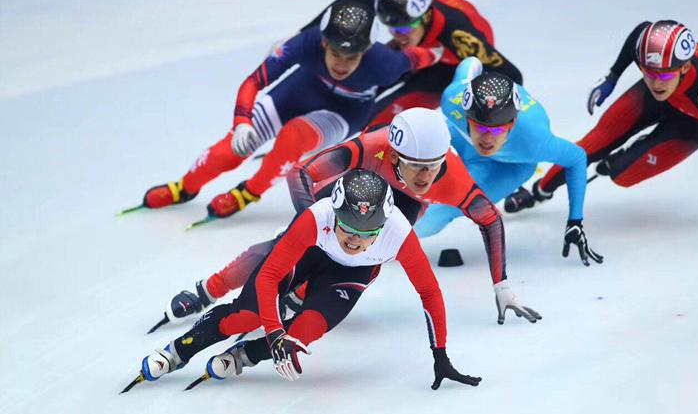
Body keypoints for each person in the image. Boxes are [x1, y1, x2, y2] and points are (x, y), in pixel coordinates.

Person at [160, 108, 542, 328]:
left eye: (434, 167)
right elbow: (301, 173)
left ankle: (301, 295)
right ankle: (209, 289)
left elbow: (490, 220)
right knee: (284, 249)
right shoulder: (373, 146)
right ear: (393, 156)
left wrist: (501, 285)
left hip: (396, 209)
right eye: (415, 167)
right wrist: (312, 223)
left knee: (370, 254)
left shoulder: (452, 180)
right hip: (349, 190)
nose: (427, 178)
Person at [123, 170, 480, 392]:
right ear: (334, 215)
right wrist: (273, 328)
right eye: (348, 228)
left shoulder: (399, 233)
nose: (355, 240)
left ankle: (246, 355)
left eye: (367, 233)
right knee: (247, 316)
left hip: (349, 275)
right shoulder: (317, 215)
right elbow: (269, 276)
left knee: (305, 332)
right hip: (308, 254)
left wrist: (440, 354)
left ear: (383, 227)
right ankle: (179, 350)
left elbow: (430, 293)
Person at [133, 0, 441, 220]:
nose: (342, 65)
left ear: (367, 51)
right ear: (323, 44)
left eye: (352, 58)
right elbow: (254, 81)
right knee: (229, 151)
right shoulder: (303, 44)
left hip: (344, 112)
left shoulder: (385, 63)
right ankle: (184, 187)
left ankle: (248, 192)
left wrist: (439, 51)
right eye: (335, 54)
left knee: (294, 138)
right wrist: (242, 121)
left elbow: (419, 57)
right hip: (298, 92)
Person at [520, 20, 698, 235]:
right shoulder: (656, 65)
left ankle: (620, 160)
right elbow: (642, 31)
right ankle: (538, 191)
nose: (656, 83)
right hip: (680, 93)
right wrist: (612, 77)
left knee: (623, 174)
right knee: (596, 141)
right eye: (649, 73)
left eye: (664, 75)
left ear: (685, 67)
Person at [422, 57, 602, 265]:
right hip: (464, 140)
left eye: (497, 129)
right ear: (466, 117)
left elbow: (577, 158)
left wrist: (575, 221)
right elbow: (471, 62)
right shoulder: (452, 100)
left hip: (509, 166)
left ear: (512, 123)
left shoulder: (535, 140)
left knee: (430, 219)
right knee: (411, 157)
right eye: (481, 127)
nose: (488, 138)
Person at [302, 0, 522, 128]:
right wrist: (301, 35)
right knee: (367, 79)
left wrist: (498, 122)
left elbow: (512, 75)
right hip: (425, 48)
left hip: (451, 64)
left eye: (404, 28)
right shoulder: (392, 8)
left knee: (386, 112)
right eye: (392, 29)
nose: (398, 35)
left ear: (424, 17)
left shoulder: (460, 37)